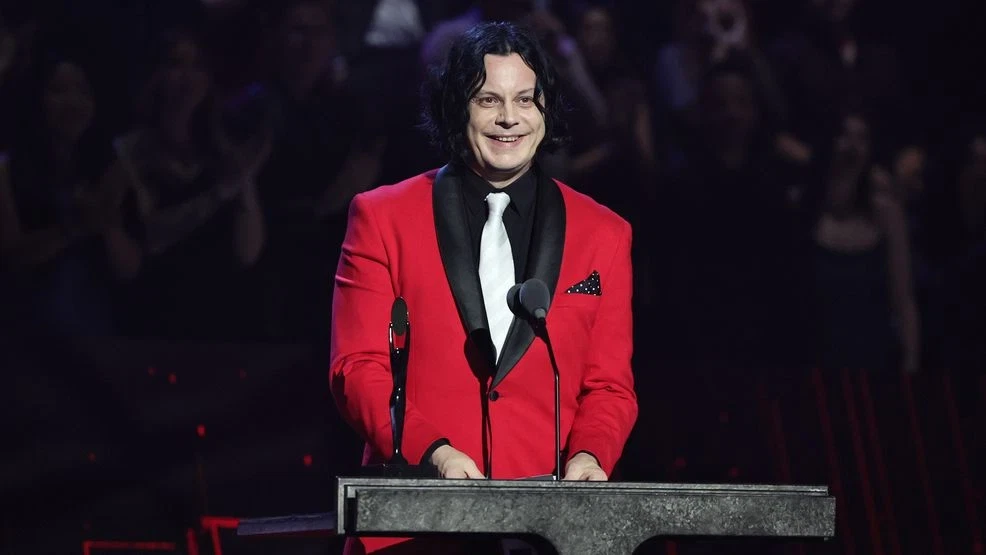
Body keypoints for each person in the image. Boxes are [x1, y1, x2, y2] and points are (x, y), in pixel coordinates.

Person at [329, 21, 638, 554]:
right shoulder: (382, 218)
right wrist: (435, 453)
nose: (508, 118)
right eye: (488, 99)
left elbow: (609, 387)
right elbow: (356, 368)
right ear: (457, 109)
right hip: (415, 523)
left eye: (525, 99)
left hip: (548, 530)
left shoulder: (604, 234)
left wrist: (590, 455)